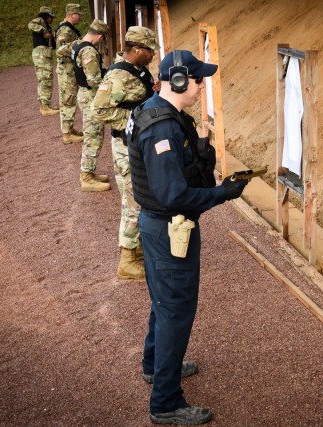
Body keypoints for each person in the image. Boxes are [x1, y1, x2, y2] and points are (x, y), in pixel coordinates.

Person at [126, 50, 248, 425]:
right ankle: (165, 403)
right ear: (179, 82)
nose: (201, 86)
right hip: (168, 228)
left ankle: (154, 366)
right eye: (198, 80)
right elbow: (172, 195)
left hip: (160, 227)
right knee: (175, 312)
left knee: (164, 304)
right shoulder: (162, 128)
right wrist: (221, 194)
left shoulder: (158, 111)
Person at [91, 26, 160, 280]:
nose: (153, 55)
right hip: (126, 147)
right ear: (138, 49)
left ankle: (139, 249)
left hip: (135, 145)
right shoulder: (118, 76)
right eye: (150, 51)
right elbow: (98, 111)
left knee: (140, 198)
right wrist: (136, 117)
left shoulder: (138, 70)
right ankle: (127, 261)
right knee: (133, 201)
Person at [71, 19, 110, 191]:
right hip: (90, 95)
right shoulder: (88, 51)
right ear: (100, 36)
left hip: (84, 94)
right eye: (103, 39)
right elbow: (94, 80)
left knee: (92, 133)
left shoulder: (77, 44)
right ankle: (86, 176)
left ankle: (89, 171)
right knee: (93, 134)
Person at [55, 4, 84, 144]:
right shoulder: (65, 30)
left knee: (69, 99)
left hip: (69, 69)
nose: (80, 17)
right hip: (66, 70)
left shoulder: (69, 28)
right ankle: (67, 134)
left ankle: (70, 129)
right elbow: (60, 50)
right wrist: (78, 44)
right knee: (68, 100)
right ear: (72, 14)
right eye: (79, 14)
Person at [28, 6, 59, 116]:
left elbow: (54, 44)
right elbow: (31, 25)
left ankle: (45, 105)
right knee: (45, 78)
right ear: (46, 16)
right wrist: (44, 31)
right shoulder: (40, 21)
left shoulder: (48, 26)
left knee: (45, 78)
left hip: (45, 53)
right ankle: (44, 107)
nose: (52, 19)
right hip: (41, 54)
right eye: (51, 17)